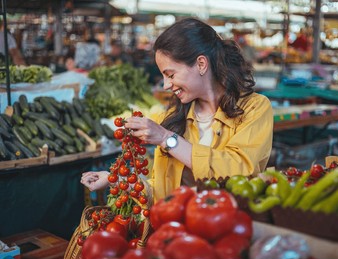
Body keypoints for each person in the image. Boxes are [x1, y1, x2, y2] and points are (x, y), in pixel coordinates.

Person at [80, 18, 274, 202]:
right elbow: (163, 192)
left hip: (225, 227)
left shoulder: (254, 108)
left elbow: (239, 169)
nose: (166, 85)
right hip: (176, 231)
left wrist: (167, 139)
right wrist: (116, 180)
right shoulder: (175, 117)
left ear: (201, 64)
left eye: (170, 74)